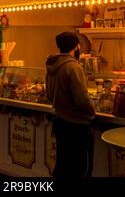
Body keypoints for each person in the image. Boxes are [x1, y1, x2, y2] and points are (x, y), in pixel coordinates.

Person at [46, 31, 95, 178]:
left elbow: (49, 94)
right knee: (77, 168)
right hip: (76, 126)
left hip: (60, 121)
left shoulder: (51, 65)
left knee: (62, 166)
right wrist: (92, 110)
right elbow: (82, 99)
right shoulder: (73, 68)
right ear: (76, 47)